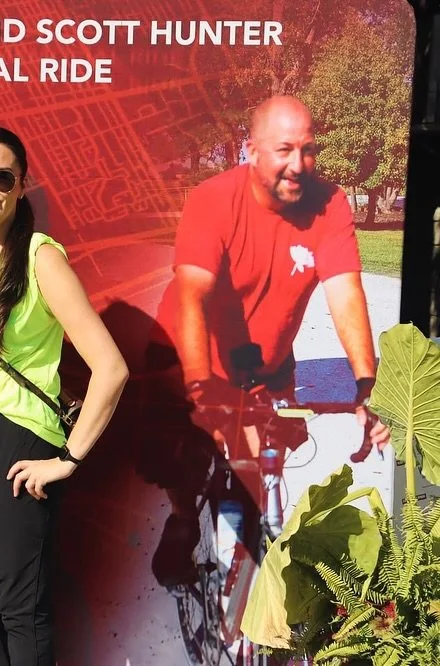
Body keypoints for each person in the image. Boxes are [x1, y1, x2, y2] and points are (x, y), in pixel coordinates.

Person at [149, 94, 392, 584]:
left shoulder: (331, 204)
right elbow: (194, 297)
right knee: (183, 464)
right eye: (284, 150)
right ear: (251, 149)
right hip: (189, 355)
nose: (298, 164)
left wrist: (368, 387)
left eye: (308, 150)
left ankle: (252, 582)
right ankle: (181, 521)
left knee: (262, 468)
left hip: (265, 363)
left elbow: (345, 293)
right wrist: (201, 394)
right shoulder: (213, 199)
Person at [0, 127, 130, 666]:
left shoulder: (43, 259)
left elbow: (110, 368)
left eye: (2, 177)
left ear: (22, 185)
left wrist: (68, 459)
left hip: (13, 440)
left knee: (21, 610)